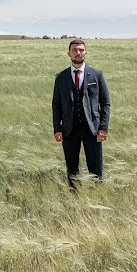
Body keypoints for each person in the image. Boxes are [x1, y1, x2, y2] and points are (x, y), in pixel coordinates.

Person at [52, 39, 111, 188]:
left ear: (86, 52)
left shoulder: (97, 74)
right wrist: (57, 129)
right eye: (74, 50)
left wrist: (103, 128)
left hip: (92, 129)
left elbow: (105, 103)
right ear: (68, 53)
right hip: (69, 130)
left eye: (81, 50)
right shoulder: (61, 77)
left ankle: (97, 198)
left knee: (96, 168)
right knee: (72, 169)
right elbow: (56, 105)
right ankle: (75, 198)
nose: (78, 53)